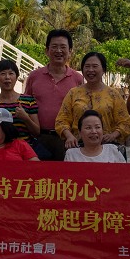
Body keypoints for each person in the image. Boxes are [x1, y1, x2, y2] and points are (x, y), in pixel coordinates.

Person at [55, 51, 130, 158]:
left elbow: (125, 123)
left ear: (103, 70)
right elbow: (61, 120)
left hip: (108, 148)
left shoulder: (113, 94)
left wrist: (113, 135)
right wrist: (69, 136)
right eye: (87, 67)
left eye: (95, 66)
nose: (91, 70)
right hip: (78, 148)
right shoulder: (73, 93)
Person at [23, 29, 84, 161]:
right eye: (54, 47)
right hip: (39, 139)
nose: (58, 51)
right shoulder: (34, 76)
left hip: (67, 140)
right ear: (47, 50)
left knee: (65, 178)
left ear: (70, 51)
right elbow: (26, 106)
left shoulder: (77, 79)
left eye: (63, 47)